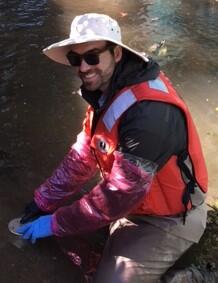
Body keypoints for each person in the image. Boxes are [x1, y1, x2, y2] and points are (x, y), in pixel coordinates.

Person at [17, 13, 208, 283]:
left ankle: (194, 277)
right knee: (75, 239)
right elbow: (83, 154)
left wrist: (54, 223)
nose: (83, 67)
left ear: (117, 53)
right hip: (137, 204)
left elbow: (119, 194)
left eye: (92, 56)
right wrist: (43, 201)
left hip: (172, 218)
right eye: (75, 59)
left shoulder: (148, 115)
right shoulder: (106, 91)